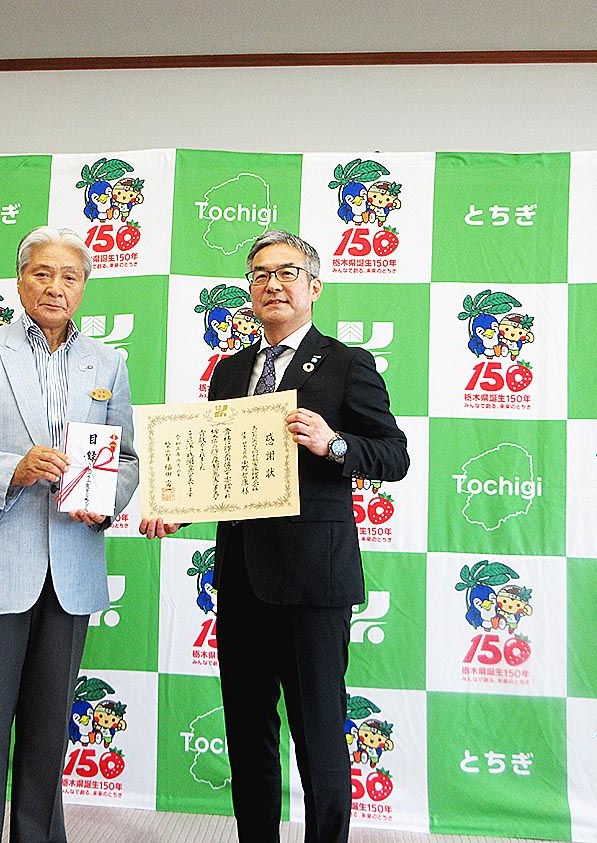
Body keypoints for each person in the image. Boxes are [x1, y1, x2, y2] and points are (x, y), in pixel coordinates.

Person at [142, 229, 409, 842]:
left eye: (287, 272)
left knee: (320, 733)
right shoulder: (231, 369)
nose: (273, 284)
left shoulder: (346, 363)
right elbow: (222, 470)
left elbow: (394, 455)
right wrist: (180, 509)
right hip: (240, 577)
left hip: (315, 579)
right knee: (247, 732)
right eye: (260, 274)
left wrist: (333, 444)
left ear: (314, 287)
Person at [0, 225, 138, 843]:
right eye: (42, 273)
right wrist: (10, 470)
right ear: (20, 281)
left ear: (84, 287)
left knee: (49, 734)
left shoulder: (108, 362)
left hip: (72, 568)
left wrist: (105, 504)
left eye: (70, 276)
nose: (55, 287)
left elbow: (126, 459)